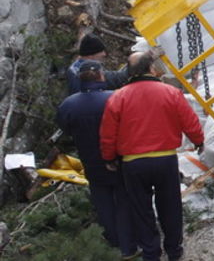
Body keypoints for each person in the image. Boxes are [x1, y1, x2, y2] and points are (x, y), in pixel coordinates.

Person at [100, 51, 204, 261]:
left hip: (133, 163)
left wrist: (109, 158)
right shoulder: (170, 92)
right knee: (171, 206)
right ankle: (174, 251)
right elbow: (189, 120)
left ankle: (151, 253)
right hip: (165, 159)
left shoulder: (118, 97)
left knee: (141, 210)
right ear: (151, 68)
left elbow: (108, 133)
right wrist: (198, 141)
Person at [56, 60, 138, 259]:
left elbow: (65, 129)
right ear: (102, 75)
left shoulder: (69, 105)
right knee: (124, 200)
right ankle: (130, 245)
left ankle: (113, 243)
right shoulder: (116, 98)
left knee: (103, 202)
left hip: (90, 160)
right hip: (119, 159)